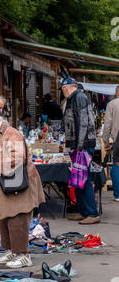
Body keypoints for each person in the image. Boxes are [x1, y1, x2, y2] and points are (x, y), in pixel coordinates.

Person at [0, 106, 45, 268]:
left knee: (18, 219)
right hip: (8, 186)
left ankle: (24, 255)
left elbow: (19, 157)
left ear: (0, 119)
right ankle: (13, 252)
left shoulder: (11, 133)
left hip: (19, 186)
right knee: (7, 218)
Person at [61, 77, 100, 224]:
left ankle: (93, 214)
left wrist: (79, 145)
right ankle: (83, 211)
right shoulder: (72, 98)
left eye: (65, 89)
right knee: (79, 179)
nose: (63, 91)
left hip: (83, 144)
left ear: (71, 87)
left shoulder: (80, 97)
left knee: (85, 179)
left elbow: (83, 122)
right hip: (78, 144)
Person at [102, 85, 119, 202]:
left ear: (117, 92)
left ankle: (118, 195)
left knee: (117, 165)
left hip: (118, 139)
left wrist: (106, 141)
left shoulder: (112, 104)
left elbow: (107, 124)